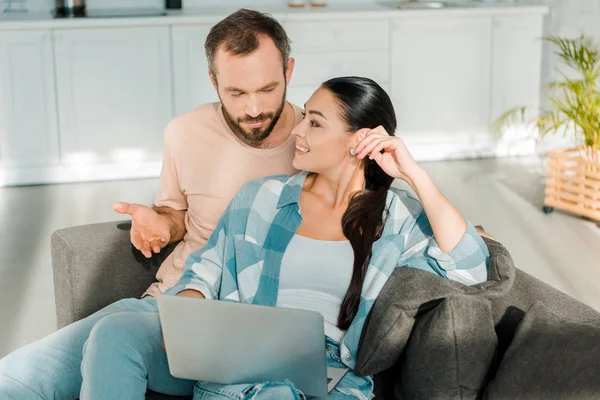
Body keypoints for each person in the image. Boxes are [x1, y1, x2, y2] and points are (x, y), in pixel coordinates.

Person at [77, 76, 490, 400]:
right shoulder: (262, 196)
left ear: (358, 141)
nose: (298, 131)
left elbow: (472, 265)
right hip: (235, 353)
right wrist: (189, 307)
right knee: (114, 335)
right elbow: (208, 266)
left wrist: (415, 174)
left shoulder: (397, 217)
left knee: (277, 394)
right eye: (303, 116)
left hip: (326, 373)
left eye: (314, 122)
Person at [0, 8, 304, 400]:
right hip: (172, 306)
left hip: (256, 328)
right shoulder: (185, 132)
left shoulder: (317, 141)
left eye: (267, 89)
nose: (254, 109)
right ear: (213, 82)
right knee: (16, 379)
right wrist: (164, 223)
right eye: (237, 92)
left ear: (289, 72)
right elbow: (177, 215)